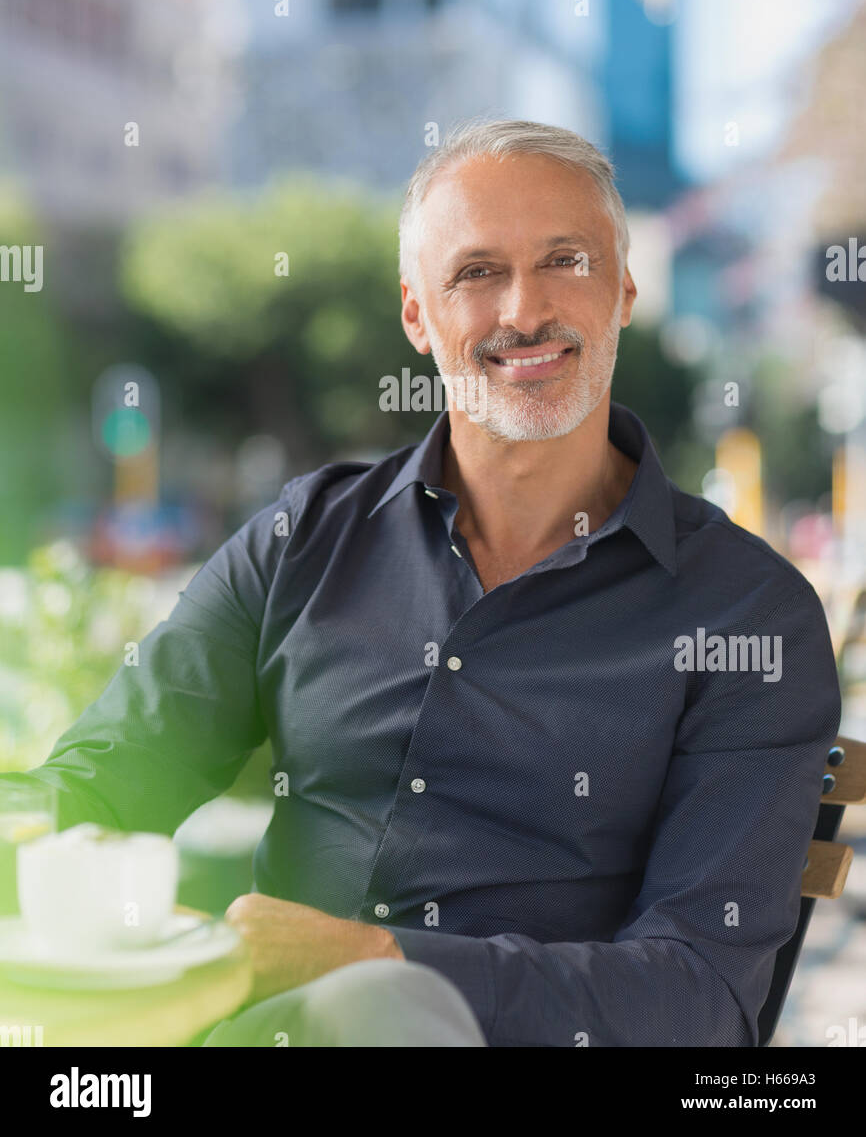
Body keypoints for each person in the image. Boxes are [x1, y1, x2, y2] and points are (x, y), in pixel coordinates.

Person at [2, 118, 841, 1047]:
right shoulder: (302, 539)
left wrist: (379, 963)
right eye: (476, 272)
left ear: (625, 288)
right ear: (416, 315)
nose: (525, 310)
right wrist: (33, 826)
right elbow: (114, 773)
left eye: (566, 260)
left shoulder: (748, 615)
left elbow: (700, 998)